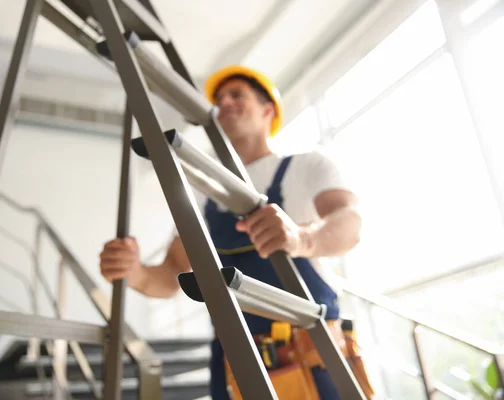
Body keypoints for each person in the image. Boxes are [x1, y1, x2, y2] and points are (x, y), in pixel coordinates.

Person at [100, 65, 366, 399]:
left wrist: (302, 238)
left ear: (268, 110)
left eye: (236, 94)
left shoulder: (307, 166)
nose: (223, 102)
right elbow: (171, 274)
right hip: (236, 357)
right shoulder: (203, 191)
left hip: (312, 348)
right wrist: (133, 273)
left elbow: (349, 222)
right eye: (219, 98)